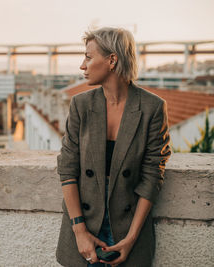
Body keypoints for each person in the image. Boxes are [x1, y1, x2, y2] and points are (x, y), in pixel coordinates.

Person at [55, 27, 172, 267]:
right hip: (83, 226)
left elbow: (152, 177)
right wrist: (79, 232)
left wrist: (131, 239)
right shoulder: (81, 105)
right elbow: (68, 169)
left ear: (112, 60)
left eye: (88, 57)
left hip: (128, 229)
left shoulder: (152, 108)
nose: (82, 65)